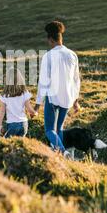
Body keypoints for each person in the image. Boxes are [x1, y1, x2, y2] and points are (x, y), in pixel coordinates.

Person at [34, 21, 81, 158]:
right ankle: (61, 155)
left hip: (53, 97)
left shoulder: (48, 56)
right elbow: (76, 80)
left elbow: (43, 82)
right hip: (67, 97)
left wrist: (37, 106)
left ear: (50, 39)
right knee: (59, 128)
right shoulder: (72, 54)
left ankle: (62, 151)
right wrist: (76, 101)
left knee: (49, 130)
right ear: (61, 37)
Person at [0, 68, 37, 137]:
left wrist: (0, 125)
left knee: (8, 144)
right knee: (19, 144)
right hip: (24, 123)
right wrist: (35, 113)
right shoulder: (24, 93)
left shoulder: (4, 95)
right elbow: (29, 109)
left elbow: (2, 111)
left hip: (12, 124)